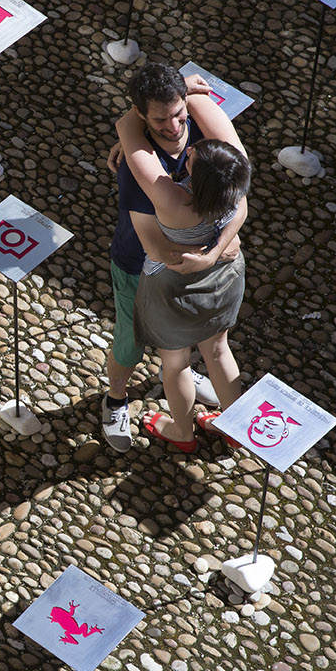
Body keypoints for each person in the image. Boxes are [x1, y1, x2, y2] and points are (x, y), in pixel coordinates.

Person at [115, 81, 251, 452]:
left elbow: (126, 129)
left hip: (173, 290)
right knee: (219, 351)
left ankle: (182, 432)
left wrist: (175, 88)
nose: (188, 147)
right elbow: (242, 208)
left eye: (193, 156)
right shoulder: (236, 177)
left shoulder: (172, 200)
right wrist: (212, 253)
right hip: (226, 275)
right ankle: (235, 428)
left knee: (176, 364)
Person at [101, 66, 223, 453]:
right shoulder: (138, 163)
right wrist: (210, 255)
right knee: (129, 343)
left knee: (183, 342)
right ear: (141, 115)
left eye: (178, 114)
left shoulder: (202, 126)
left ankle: (179, 377)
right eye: (159, 120)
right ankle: (115, 399)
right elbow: (152, 246)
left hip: (189, 265)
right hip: (137, 266)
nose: (173, 127)